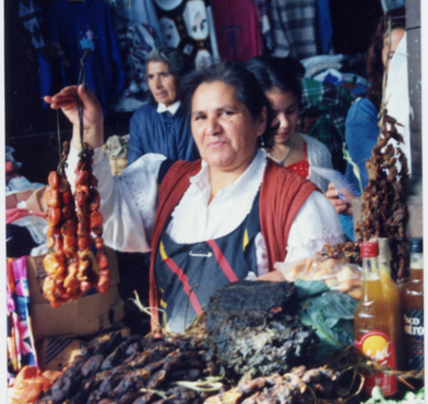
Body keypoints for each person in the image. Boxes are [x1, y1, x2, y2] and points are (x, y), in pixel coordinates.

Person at [44, 62, 344, 334]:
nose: (212, 128)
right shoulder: (166, 182)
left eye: (226, 113)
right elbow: (103, 216)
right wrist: (89, 130)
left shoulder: (297, 204)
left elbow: (323, 310)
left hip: (252, 387)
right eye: (200, 116)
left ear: (260, 121)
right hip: (173, 378)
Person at [325, 11, 406, 236]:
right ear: (379, 56)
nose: (397, 63)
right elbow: (377, 190)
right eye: (390, 54)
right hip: (371, 233)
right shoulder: (365, 113)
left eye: (405, 54)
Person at [246, 56, 333, 192]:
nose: (285, 123)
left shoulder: (318, 152)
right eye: (273, 115)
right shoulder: (241, 160)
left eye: (291, 111)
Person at [127, 47, 198, 164]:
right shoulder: (141, 118)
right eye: (151, 77)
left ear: (182, 78)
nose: (156, 85)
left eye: (164, 75)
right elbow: (133, 170)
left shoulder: (198, 112)